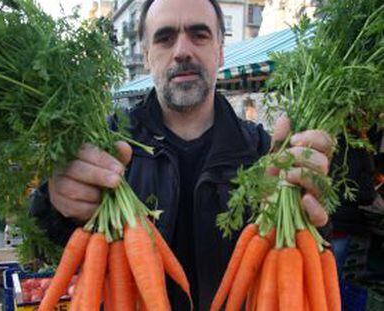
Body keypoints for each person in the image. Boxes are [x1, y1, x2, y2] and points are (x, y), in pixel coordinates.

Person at [30, 0, 333, 309]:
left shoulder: (263, 151)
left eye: (199, 35)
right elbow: (44, 247)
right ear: (147, 56)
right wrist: (57, 205)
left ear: (220, 51)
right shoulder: (105, 147)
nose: (182, 51)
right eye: (165, 38)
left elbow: (306, 250)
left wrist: (309, 207)